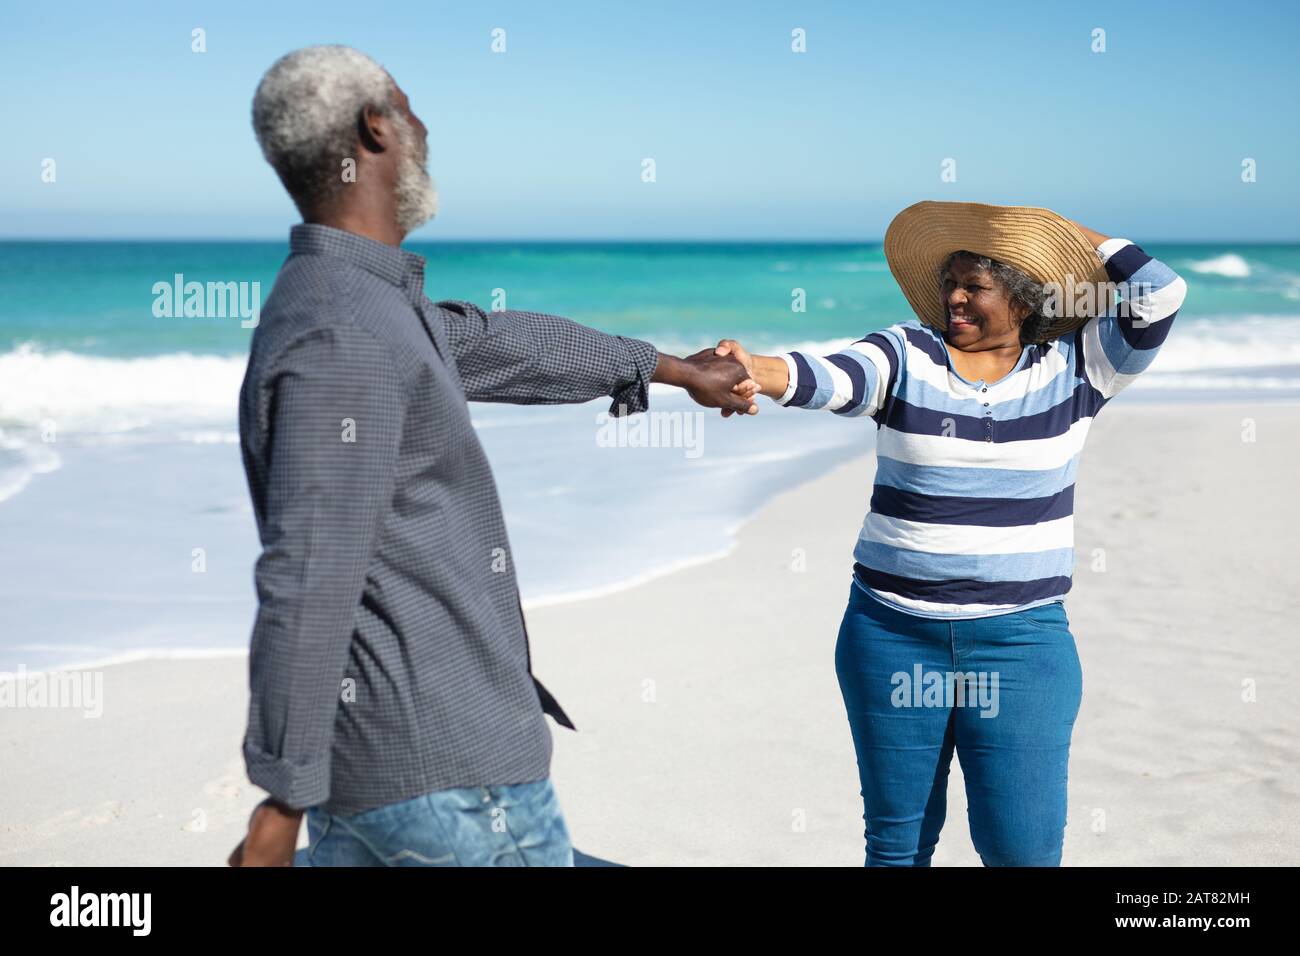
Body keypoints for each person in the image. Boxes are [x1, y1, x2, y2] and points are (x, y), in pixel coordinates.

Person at [227, 45, 758, 867]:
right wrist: (280, 799)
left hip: (406, 776)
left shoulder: (370, 301)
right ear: (375, 129)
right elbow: (310, 568)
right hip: (447, 778)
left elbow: (505, 344)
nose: (426, 127)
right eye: (410, 109)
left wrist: (676, 370)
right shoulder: (344, 333)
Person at [714, 200, 1187, 866]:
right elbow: (826, 376)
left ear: (1024, 298)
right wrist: (748, 368)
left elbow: (1160, 292)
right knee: (899, 844)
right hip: (891, 634)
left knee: (1021, 849)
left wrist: (1058, 233)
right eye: (949, 283)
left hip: (1022, 644)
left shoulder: (1080, 371)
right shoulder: (907, 354)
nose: (954, 298)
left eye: (975, 286)